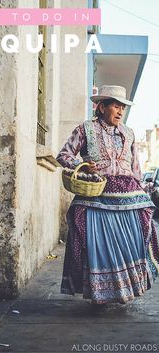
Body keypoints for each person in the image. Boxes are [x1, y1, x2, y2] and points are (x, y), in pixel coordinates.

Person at [56, 85, 159, 305]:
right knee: (97, 246)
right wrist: (82, 165)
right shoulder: (85, 129)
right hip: (97, 193)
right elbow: (63, 155)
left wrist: (141, 189)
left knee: (132, 242)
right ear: (101, 107)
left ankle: (127, 288)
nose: (120, 111)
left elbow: (136, 167)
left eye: (123, 107)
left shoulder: (129, 133)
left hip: (128, 194)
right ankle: (100, 293)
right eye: (116, 105)